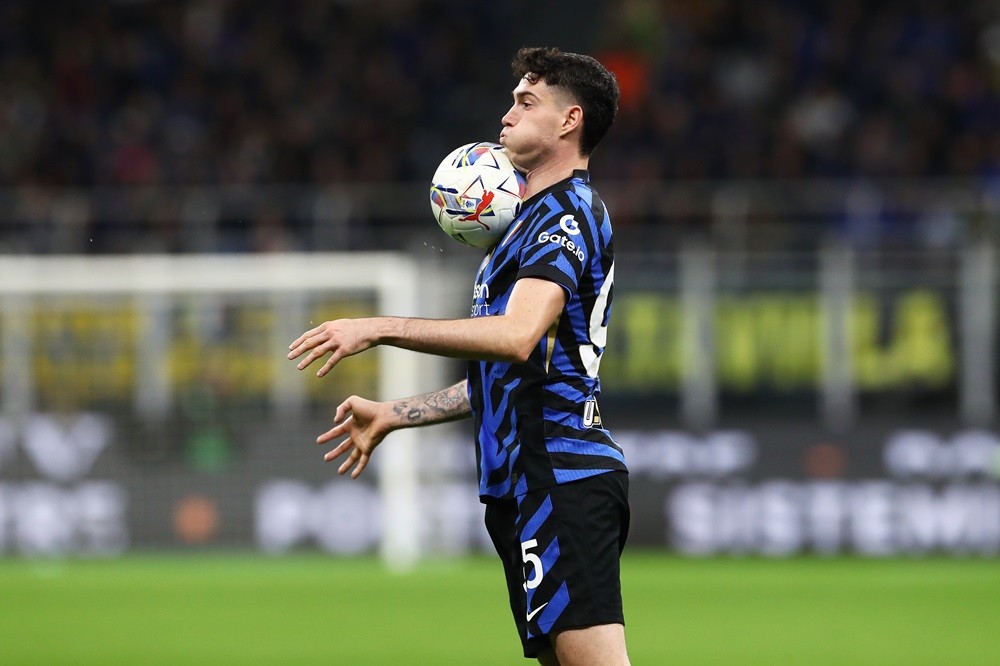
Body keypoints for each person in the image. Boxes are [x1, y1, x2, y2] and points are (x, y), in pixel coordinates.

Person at [288, 46, 629, 666]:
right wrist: (399, 411)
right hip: (523, 483)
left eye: (526, 103)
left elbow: (516, 336)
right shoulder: (522, 227)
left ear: (569, 121)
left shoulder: (568, 212)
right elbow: (512, 372)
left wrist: (378, 327)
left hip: (562, 474)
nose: (505, 117)